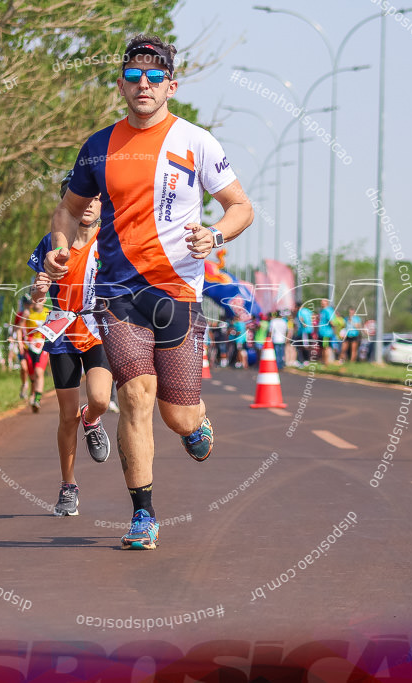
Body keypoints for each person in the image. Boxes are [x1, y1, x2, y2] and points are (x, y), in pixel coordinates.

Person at [44, 35, 253, 550]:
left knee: (176, 414)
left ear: (171, 86)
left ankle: (196, 424)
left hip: (177, 290)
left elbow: (240, 206)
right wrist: (57, 246)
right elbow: (69, 210)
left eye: (155, 77)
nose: (144, 84)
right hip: (118, 293)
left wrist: (217, 235)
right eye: (135, 76)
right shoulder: (98, 147)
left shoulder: (197, 142)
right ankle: (143, 514)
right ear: (120, 86)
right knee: (135, 395)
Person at [27, 172, 113, 517]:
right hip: (62, 331)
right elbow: (36, 296)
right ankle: (68, 486)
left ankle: (92, 420)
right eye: (83, 198)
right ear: (69, 202)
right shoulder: (52, 243)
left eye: (96, 199)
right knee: (65, 417)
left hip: (98, 329)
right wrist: (40, 287)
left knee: (100, 399)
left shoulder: (111, 241)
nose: (89, 204)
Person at [19, 294, 50, 412]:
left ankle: (37, 399)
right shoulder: (27, 313)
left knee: (39, 372)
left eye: (41, 298)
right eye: (36, 298)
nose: (38, 301)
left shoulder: (48, 313)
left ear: (45, 300)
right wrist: (20, 343)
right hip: (29, 347)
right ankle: (32, 394)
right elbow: (19, 328)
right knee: (32, 375)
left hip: (42, 347)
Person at [317, 298, 336, 364]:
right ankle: (324, 361)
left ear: (327, 303)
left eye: (323, 302)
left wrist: (334, 329)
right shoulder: (322, 311)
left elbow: (331, 321)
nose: (322, 303)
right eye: (321, 302)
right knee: (323, 347)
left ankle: (326, 362)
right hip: (321, 332)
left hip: (326, 333)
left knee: (326, 347)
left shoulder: (328, 310)